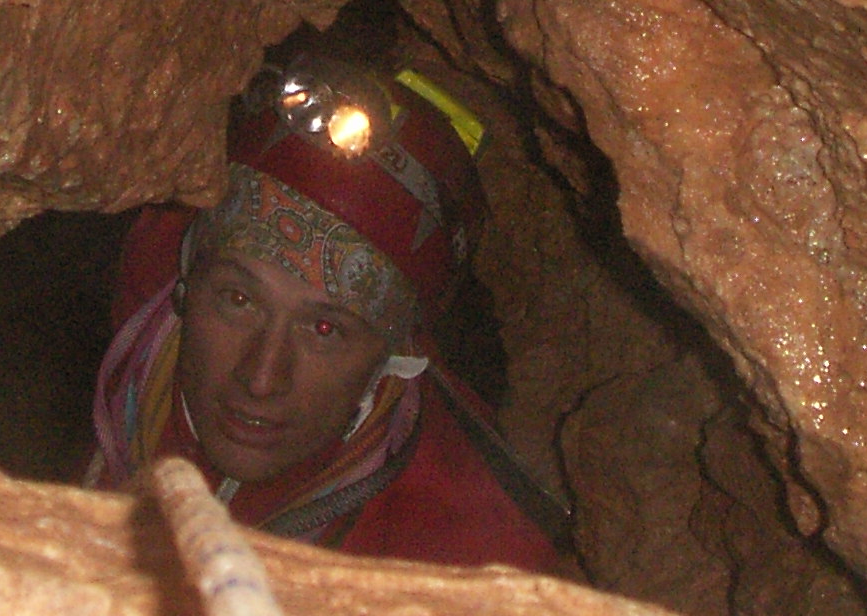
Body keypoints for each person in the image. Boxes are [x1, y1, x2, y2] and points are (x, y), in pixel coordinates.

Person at [86, 48, 573, 572]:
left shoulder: (464, 559)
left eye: (324, 329)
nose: (261, 378)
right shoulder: (129, 337)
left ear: (393, 354)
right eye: (238, 301)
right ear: (187, 281)